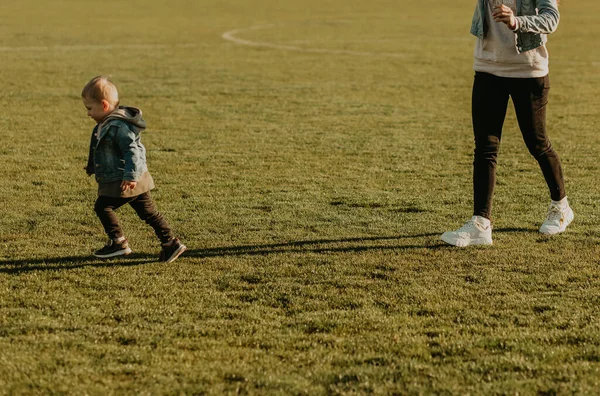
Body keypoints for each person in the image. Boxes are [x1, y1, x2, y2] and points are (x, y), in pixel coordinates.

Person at [441, 0, 572, 247]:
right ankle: (481, 223)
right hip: (487, 68)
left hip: (528, 71)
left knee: (537, 143)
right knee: (485, 147)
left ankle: (560, 206)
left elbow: (550, 18)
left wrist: (516, 22)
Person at [82, 76, 187, 262]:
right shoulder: (105, 124)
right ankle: (170, 244)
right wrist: (92, 166)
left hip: (124, 180)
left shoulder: (118, 126)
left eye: (90, 108)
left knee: (102, 206)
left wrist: (131, 175)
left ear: (104, 106)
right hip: (132, 179)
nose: (88, 113)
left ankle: (119, 243)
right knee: (149, 213)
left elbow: (133, 151)